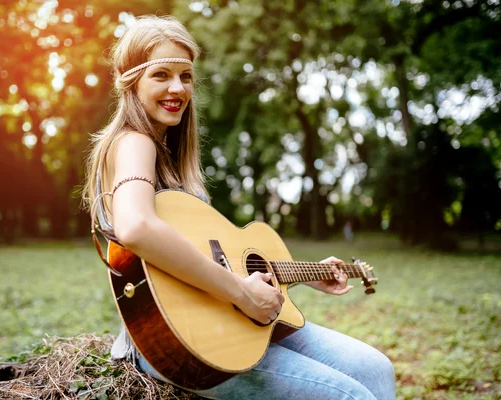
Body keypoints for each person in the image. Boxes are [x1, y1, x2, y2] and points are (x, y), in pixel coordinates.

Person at [83, 15, 395, 400]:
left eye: (186, 76)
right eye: (160, 75)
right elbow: (135, 228)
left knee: (376, 369)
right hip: (174, 341)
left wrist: (301, 273)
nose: (177, 88)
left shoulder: (172, 158)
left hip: (224, 318)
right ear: (131, 81)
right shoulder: (135, 143)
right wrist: (243, 294)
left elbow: (216, 259)